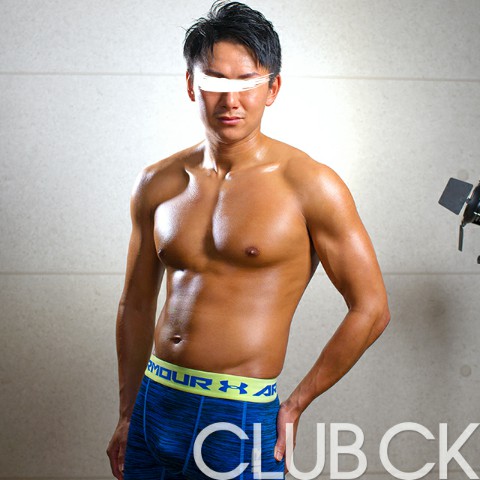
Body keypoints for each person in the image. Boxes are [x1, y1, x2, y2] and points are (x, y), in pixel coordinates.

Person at [107, 1, 390, 479]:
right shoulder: (157, 182)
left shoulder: (310, 185)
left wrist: (296, 403)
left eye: (247, 82)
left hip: (238, 415)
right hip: (154, 403)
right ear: (191, 85)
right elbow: (135, 304)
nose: (231, 100)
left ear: (272, 88)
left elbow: (372, 308)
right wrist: (127, 411)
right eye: (216, 81)